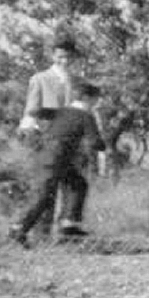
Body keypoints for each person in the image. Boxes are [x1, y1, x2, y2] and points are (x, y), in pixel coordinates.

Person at [9, 82, 106, 246]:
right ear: (87, 98)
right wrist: (102, 145)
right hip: (54, 159)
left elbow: (36, 111)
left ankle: (69, 224)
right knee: (44, 195)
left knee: (77, 184)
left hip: (52, 157)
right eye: (96, 99)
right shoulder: (85, 116)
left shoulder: (63, 111)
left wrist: (32, 124)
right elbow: (96, 142)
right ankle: (19, 227)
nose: (98, 103)